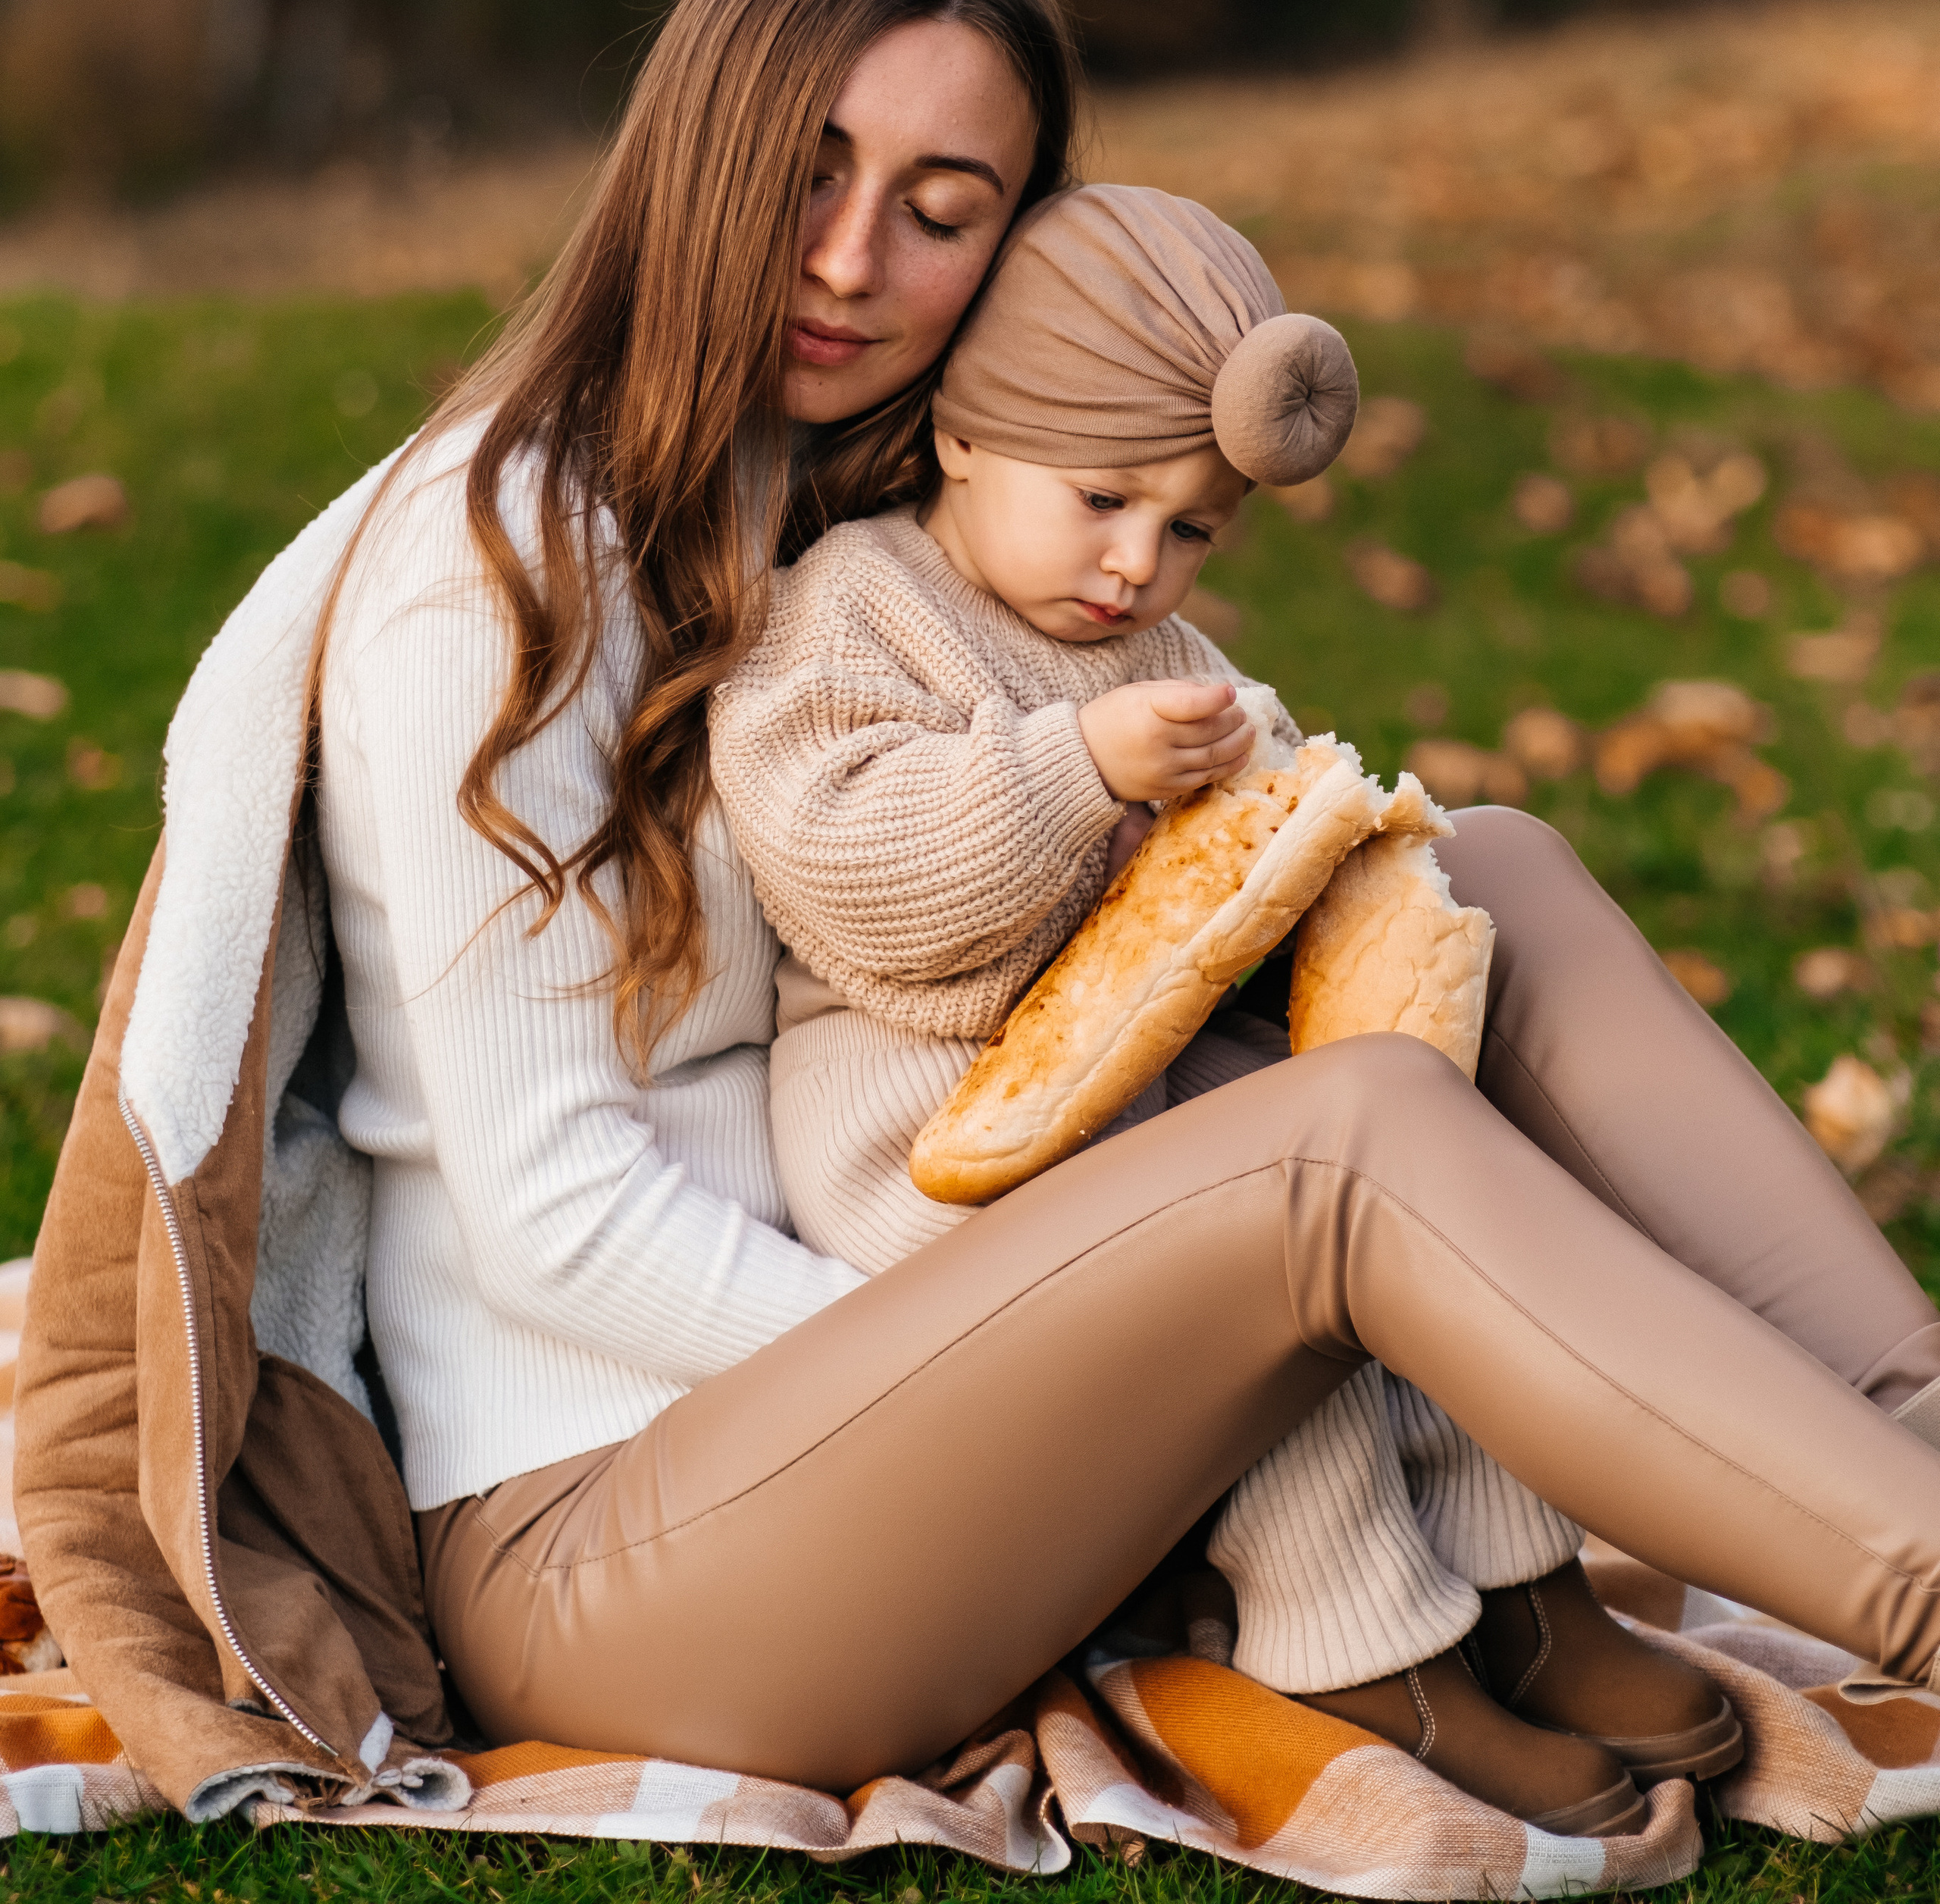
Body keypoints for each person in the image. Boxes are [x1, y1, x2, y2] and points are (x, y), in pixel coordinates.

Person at [30, 0, 1940, 1827]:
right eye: (805, 175)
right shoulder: (503, 568)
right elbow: (558, 1220)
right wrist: (1067, 1335)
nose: (849, 261)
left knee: (1483, 875)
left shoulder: (847, 505)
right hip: (612, 1537)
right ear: (690, 153)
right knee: (1331, 1153)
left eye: (940, 213)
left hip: (885, 1392)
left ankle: (1908, 1439)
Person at [708, 177, 1735, 1832]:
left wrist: (1315, 846)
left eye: (1189, 530)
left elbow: (1252, 838)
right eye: (1104, 500)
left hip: (1144, 1093)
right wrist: (1069, 772)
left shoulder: (1150, 647)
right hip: (925, 1128)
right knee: (1256, 1284)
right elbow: (848, 875)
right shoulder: (851, 608)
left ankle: (1516, 1587)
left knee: (1423, 1204)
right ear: (966, 434)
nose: (1134, 567)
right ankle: (1350, 1639)